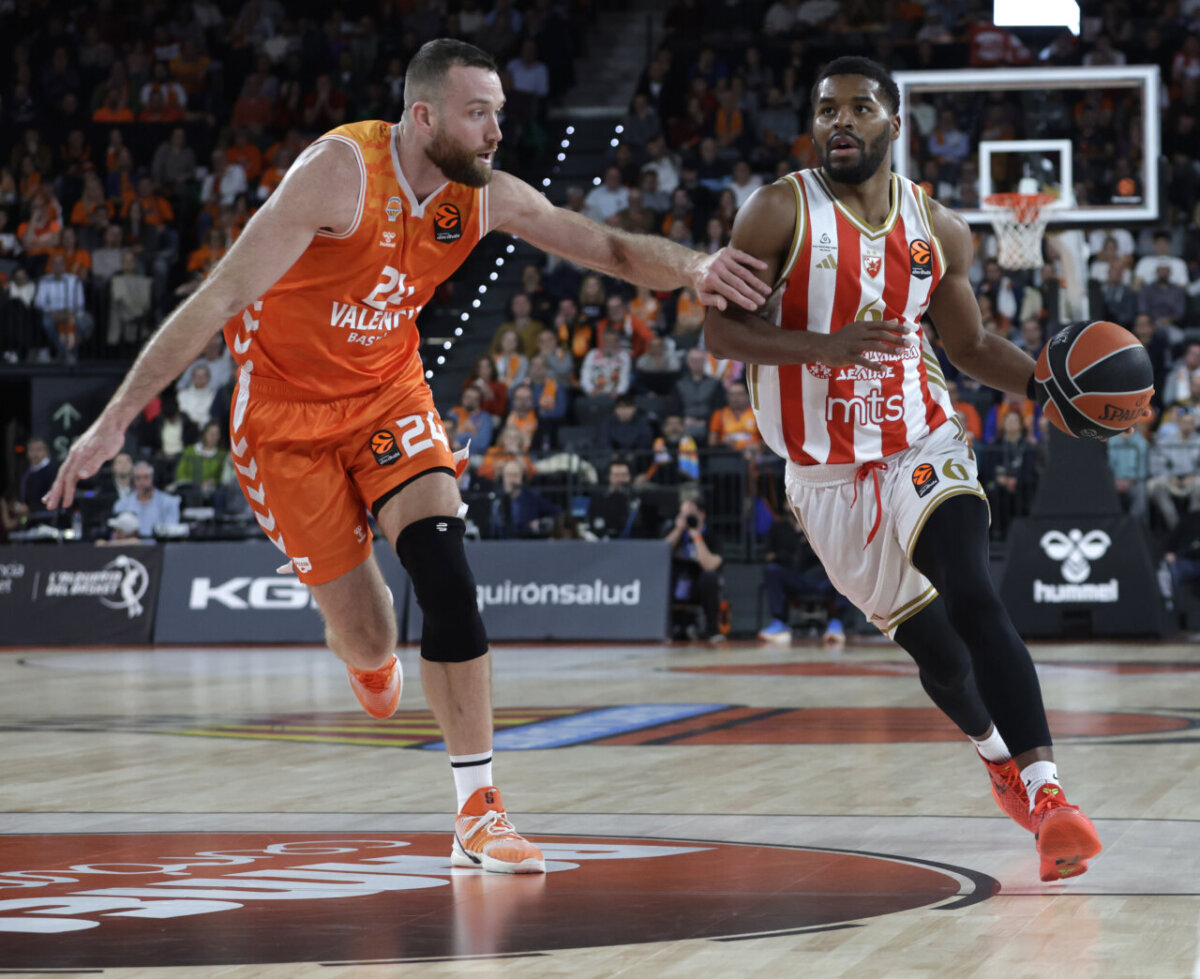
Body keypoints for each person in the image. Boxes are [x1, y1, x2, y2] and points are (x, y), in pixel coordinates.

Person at [46, 39, 767, 878]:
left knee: (444, 568)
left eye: (500, 111)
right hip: (285, 417)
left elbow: (604, 249)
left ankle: (478, 808)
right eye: (479, 112)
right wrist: (109, 427)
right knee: (368, 632)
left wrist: (698, 266)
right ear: (423, 116)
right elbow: (218, 298)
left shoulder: (483, 196)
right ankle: (367, 654)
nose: (498, 129)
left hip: (390, 393)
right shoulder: (338, 175)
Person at [702, 56, 1101, 881]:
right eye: (825, 109)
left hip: (920, 439)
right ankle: (996, 759)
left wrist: (1044, 386)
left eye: (858, 107)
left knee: (973, 589)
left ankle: (1052, 794)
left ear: (893, 123)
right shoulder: (776, 211)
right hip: (822, 477)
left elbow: (969, 347)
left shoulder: (939, 228)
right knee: (943, 660)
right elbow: (721, 335)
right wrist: (823, 347)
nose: (838, 121)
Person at [757, 507, 848, 646]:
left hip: (823, 578)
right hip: (796, 577)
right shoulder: (779, 527)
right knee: (772, 571)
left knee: (844, 571)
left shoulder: (823, 525)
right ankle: (779, 623)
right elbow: (769, 556)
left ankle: (836, 623)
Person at [666, 492, 724, 641]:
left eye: (691, 515)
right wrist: (678, 530)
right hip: (678, 583)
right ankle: (673, 627)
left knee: (709, 577)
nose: (688, 519)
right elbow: (661, 554)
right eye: (683, 515)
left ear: (702, 514)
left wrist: (697, 536)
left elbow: (710, 565)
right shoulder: (675, 532)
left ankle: (712, 630)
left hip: (699, 585)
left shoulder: (711, 535)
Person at [487, 458, 557, 539]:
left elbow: (555, 514)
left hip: (527, 545)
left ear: (521, 477)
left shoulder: (533, 497)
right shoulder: (495, 498)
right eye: (509, 475)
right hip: (499, 545)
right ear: (503, 477)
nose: (512, 479)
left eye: (515, 475)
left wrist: (540, 523)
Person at [112, 460, 181, 538]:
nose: (142, 482)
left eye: (146, 477)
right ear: (133, 480)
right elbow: (117, 534)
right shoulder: (121, 504)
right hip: (131, 547)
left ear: (153, 478)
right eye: (138, 478)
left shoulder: (169, 502)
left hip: (159, 547)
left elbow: (172, 532)